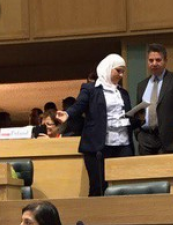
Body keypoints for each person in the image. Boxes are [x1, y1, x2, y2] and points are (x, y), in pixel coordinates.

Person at [57, 53, 134, 197]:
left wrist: (138, 117)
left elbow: (128, 115)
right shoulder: (90, 89)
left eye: (123, 72)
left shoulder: (123, 93)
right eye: (118, 71)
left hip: (122, 143)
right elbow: (79, 106)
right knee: (98, 187)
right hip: (98, 145)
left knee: (124, 186)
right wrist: (67, 114)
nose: (121, 75)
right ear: (108, 68)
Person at [135, 43, 173, 155]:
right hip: (146, 140)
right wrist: (138, 134)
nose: (154, 63)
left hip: (170, 141)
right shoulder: (142, 85)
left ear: (165, 61)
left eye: (158, 60)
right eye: (151, 60)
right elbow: (139, 113)